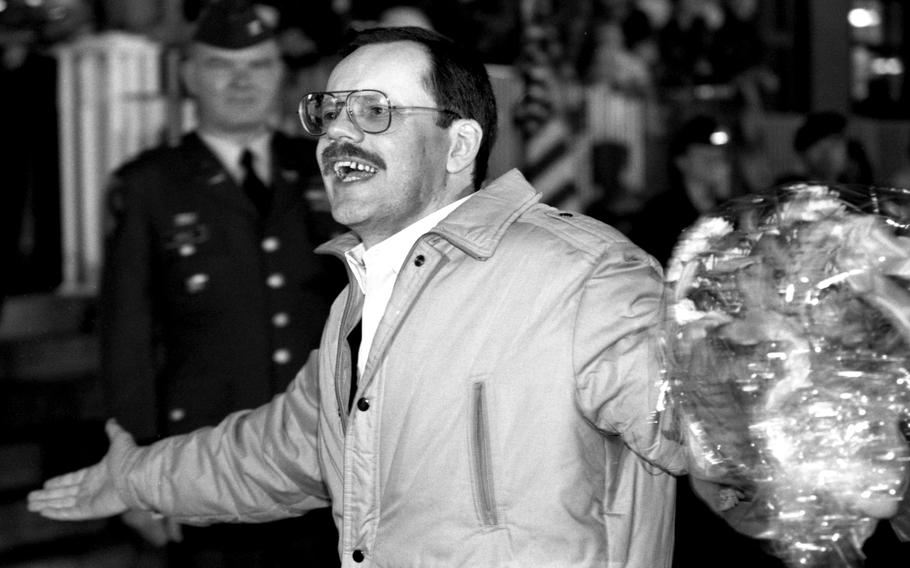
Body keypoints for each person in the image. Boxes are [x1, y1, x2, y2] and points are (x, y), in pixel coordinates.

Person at [29, 25, 685, 567]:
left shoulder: (583, 274)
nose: (339, 134)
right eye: (328, 111)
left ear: (459, 145)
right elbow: (274, 451)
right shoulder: (361, 299)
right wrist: (133, 477)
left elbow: (710, 428)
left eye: (375, 111)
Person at [97, 1, 343, 565]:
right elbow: (127, 340)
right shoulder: (148, 187)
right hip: (204, 469)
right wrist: (133, 469)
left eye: (258, 65)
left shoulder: (326, 169)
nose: (241, 81)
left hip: (319, 465)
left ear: (280, 73)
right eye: (220, 66)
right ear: (187, 76)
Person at [627, 114, 737, 267]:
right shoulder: (659, 212)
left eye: (719, 157)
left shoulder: (728, 210)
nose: (716, 163)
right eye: (706, 158)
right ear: (682, 161)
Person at [775, 110, 875, 187]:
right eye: (818, 147)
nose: (827, 154)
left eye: (835, 145)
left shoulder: (857, 190)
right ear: (803, 153)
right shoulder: (787, 188)